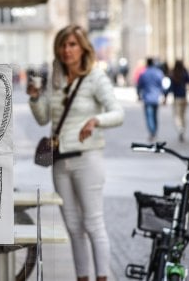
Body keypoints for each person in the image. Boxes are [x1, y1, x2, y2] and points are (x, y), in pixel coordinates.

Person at [28, 25, 124, 281]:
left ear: (83, 48)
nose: (67, 50)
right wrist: (36, 98)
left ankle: (102, 277)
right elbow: (43, 119)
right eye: (63, 45)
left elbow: (118, 112)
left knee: (93, 224)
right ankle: (82, 277)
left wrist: (96, 120)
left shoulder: (95, 77)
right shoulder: (56, 79)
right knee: (72, 226)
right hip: (60, 161)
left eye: (72, 44)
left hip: (87, 158)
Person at [165, 60, 189, 142]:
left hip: (177, 98)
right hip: (184, 98)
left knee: (177, 115)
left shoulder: (173, 75)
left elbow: (170, 88)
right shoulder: (184, 73)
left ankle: (180, 128)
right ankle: (183, 128)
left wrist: (165, 96)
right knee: (183, 115)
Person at [137, 57, 164, 142]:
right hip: (156, 98)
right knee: (155, 116)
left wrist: (138, 95)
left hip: (147, 98)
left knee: (149, 117)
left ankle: (152, 133)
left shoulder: (144, 73)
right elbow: (162, 85)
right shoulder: (159, 73)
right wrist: (164, 94)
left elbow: (139, 85)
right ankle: (154, 132)